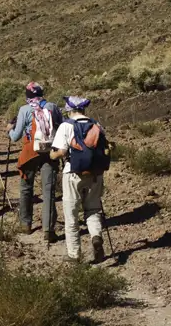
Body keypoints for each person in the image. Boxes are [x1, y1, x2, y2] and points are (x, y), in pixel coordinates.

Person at [50, 96, 110, 263]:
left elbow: (61, 152)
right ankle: (96, 236)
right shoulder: (96, 125)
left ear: (70, 110)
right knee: (92, 209)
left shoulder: (66, 126)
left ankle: (74, 254)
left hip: (72, 174)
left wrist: (51, 154)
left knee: (71, 215)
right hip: (95, 174)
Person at [8, 82, 62, 242]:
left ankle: (26, 224)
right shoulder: (52, 107)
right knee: (48, 191)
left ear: (27, 96)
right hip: (50, 152)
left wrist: (9, 129)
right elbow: (60, 128)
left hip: (30, 152)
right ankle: (48, 230)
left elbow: (15, 136)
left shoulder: (24, 110)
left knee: (26, 188)